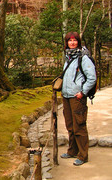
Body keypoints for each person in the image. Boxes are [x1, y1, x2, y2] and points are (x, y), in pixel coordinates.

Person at [61, 32, 96, 166]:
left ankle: (83, 155)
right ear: (67, 43)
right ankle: (72, 151)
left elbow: (91, 77)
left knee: (79, 126)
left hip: (77, 97)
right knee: (70, 126)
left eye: (75, 40)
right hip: (66, 96)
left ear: (78, 42)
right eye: (70, 40)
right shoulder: (68, 56)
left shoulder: (83, 58)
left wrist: (83, 92)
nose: (72, 42)